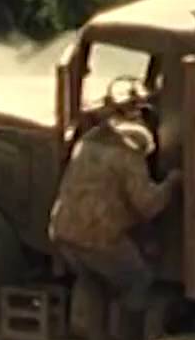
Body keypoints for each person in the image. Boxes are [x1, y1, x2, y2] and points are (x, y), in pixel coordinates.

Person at [48, 99, 182, 325]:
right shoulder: (129, 154)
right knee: (139, 279)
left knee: (93, 282)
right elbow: (148, 205)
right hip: (98, 237)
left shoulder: (87, 143)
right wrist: (171, 183)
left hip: (62, 231)